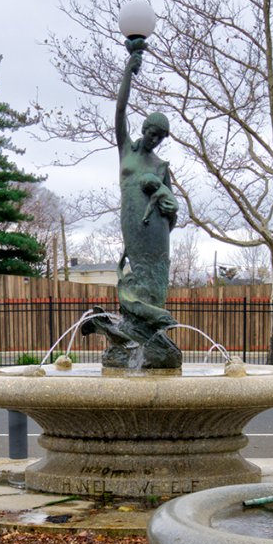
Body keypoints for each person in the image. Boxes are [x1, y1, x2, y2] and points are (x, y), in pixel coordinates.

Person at [84, 48, 181, 370]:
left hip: (157, 230)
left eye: (161, 137)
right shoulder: (126, 150)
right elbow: (120, 108)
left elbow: (172, 207)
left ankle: (148, 337)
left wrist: (162, 193)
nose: (155, 140)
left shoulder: (160, 165)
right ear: (144, 129)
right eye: (152, 133)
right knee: (136, 273)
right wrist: (129, 69)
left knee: (156, 278)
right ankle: (127, 332)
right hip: (133, 224)